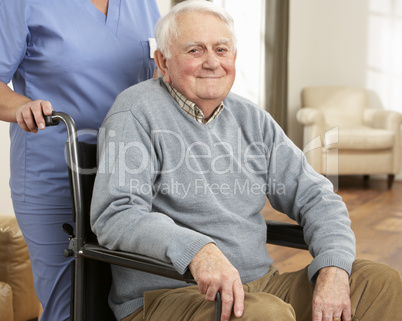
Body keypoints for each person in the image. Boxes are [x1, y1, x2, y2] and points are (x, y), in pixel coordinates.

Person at [91, 1, 402, 321]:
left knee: (379, 284)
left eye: (222, 49)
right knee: (267, 315)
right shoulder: (135, 111)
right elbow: (117, 213)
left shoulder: (252, 119)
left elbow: (316, 196)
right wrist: (198, 250)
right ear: (163, 61)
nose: (212, 62)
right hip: (173, 295)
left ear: (234, 58)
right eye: (195, 50)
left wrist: (333, 267)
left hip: (260, 286)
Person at [0, 1, 160, 320]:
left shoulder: (142, 4)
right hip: (55, 175)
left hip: (131, 175)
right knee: (71, 308)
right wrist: (22, 108)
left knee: (132, 303)